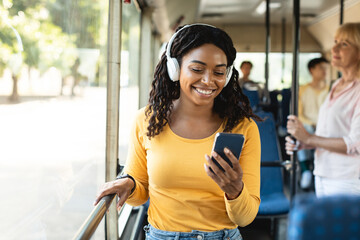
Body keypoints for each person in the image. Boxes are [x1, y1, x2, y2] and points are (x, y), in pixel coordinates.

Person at [94, 24, 261, 239]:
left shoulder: (243, 128)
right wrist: (130, 184)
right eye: (197, 69)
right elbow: (140, 193)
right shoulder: (146, 120)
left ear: (227, 75)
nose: (208, 80)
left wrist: (234, 190)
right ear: (175, 68)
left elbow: (245, 218)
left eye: (218, 72)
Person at [286, 22, 360, 197]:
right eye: (335, 42)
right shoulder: (337, 85)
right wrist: (304, 143)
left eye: (344, 44)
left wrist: (310, 137)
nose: (334, 49)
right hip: (323, 173)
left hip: (347, 178)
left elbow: (356, 143)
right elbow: (331, 133)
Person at [297, 57, 329, 190]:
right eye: (321, 68)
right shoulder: (302, 90)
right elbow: (298, 114)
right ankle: (306, 170)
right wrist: (312, 124)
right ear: (312, 70)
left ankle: (321, 169)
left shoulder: (330, 90)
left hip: (325, 126)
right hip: (308, 125)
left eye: (326, 68)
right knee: (302, 131)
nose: (324, 71)